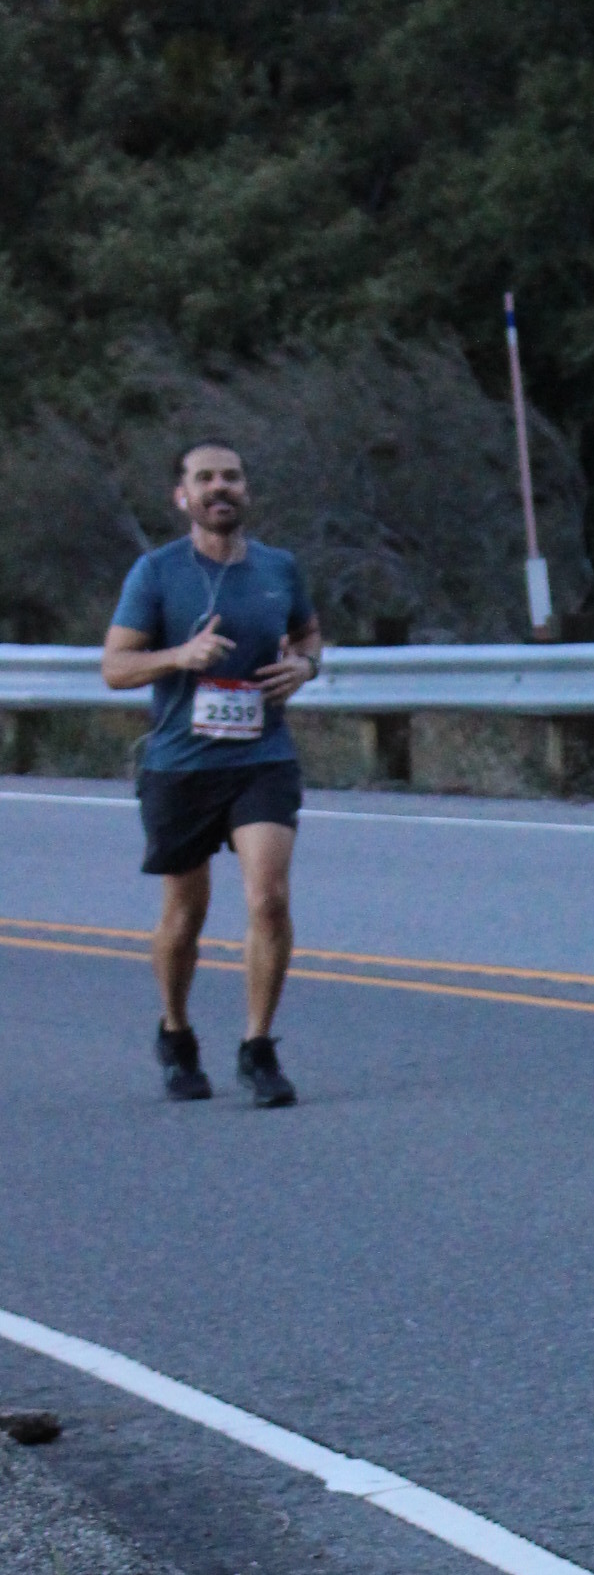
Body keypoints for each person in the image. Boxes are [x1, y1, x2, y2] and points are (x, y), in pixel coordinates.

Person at [101, 439, 323, 1108]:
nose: (219, 487)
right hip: (181, 765)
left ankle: (258, 1048)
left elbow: (308, 635)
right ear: (183, 496)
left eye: (231, 477)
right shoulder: (156, 572)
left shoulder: (279, 568)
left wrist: (305, 666)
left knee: (269, 898)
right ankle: (176, 1033)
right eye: (205, 479)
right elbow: (115, 668)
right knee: (185, 911)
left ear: (245, 490)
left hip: (262, 758)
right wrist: (179, 656)